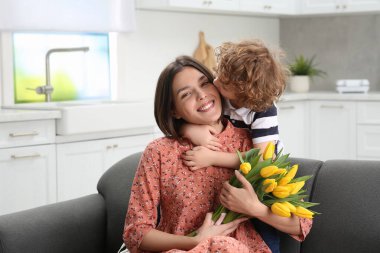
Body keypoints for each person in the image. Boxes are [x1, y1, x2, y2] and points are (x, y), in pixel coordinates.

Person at [123, 56, 311, 253]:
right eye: (186, 94)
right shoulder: (159, 153)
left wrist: (254, 208)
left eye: (205, 83)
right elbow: (136, 233)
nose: (201, 95)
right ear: (173, 111)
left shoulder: (255, 146)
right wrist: (195, 241)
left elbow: (301, 224)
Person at [180, 39, 289, 252]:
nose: (217, 81)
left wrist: (212, 158)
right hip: (239, 173)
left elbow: (261, 161)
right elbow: (187, 115)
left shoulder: (263, 109)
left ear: (246, 94)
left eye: (226, 83)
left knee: (263, 227)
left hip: (264, 177)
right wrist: (190, 129)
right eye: (220, 73)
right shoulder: (224, 92)